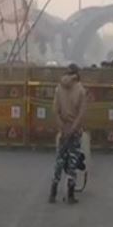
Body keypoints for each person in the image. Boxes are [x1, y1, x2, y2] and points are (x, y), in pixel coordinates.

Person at [49, 64, 87, 205]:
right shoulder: (81, 90)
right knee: (72, 162)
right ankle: (70, 195)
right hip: (74, 132)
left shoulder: (58, 89)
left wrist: (62, 128)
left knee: (59, 160)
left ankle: (53, 192)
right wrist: (73, 129)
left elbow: (55, 110)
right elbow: (81, 114)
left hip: (62, 130)